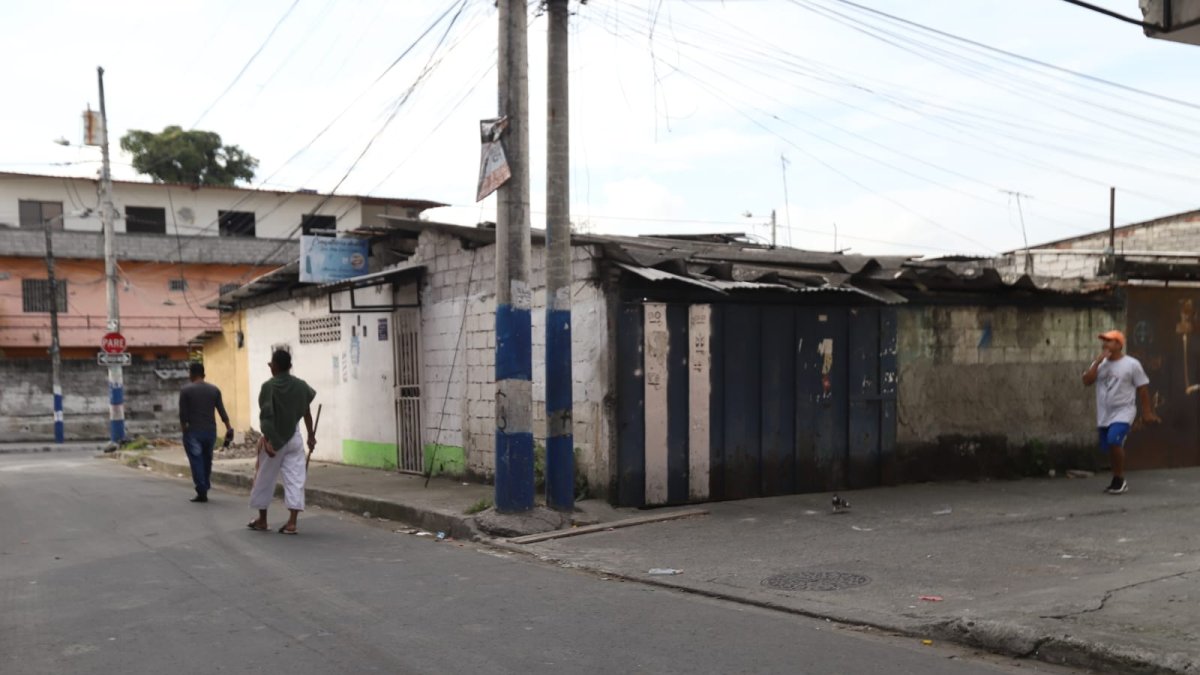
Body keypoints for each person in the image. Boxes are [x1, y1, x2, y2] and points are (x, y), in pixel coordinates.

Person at [247, 349, 316, 535]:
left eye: (271, 364)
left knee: (264, 478)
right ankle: (292, 523)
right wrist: (311, 435)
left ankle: (262, 520)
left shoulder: (269, 387)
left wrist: (269, 441)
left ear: (274, 366)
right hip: (295, 438)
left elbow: (267, 418)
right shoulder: (301, 386)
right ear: (290, 366)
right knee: (295, 479)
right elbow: (306, 412)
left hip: (274, 439)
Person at [1082, 330, 1160, 494]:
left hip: (1124, 411)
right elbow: (1087, 381)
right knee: (1110, 447)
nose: (1105, 344)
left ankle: (1119, 480)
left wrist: (1146, 412)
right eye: (1104, 341)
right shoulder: (1100, 364)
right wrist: (1096, 363)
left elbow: (1143, 389)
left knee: (1113, 440)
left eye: (1109, 341)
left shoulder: (1131, 364)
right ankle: (1116, 478)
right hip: (1104, 413)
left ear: (1119, 345)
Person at [178, 362, 233, 503]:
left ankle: (202, 489)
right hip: (210, 431)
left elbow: (183, 415)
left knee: (196, 460)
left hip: (193, 431)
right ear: (203, 374)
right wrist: (228, 427)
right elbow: (221, 410)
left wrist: (184, 430)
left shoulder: (186, 390)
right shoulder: (214, 390)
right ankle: (205, 487)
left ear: (191, 374)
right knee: (207, 459)